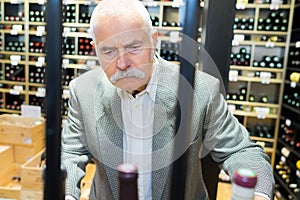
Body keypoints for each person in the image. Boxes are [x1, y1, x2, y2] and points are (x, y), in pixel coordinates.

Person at [61, 0, 274, 199]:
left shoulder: (199, 90)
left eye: (133, 47)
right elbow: (69, 152)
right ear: (95, 49)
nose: (123, 63)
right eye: (108, 51)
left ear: (153, 40)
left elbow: (241, 150)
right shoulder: (83, 91)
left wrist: (258, 194)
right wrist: (67, 194)